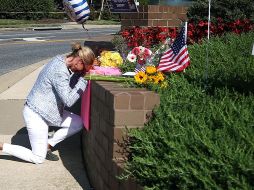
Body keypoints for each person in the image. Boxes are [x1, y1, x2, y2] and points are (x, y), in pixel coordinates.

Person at [0, 42, 95, 164]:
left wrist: (80, 75)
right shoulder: (59, 71)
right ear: (79, 61)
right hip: (36, 114)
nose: (79, 72)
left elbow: (67, 87)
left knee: (77, 123)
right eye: (82, 69)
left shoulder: (61, 60)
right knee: (38, 158)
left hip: (50, 111)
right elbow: (69, 100)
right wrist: (83, 79)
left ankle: (48, 144)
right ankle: (2, 146)